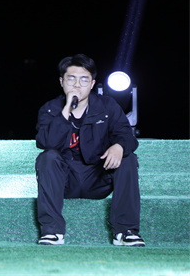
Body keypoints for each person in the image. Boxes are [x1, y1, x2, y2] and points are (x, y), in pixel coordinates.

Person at [35, 54, 144, 246]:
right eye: (71, 79)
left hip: (97, 176)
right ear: (61, 82)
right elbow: (46, 142)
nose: (77, 85)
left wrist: (119, 146)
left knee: (128, 157)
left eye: (84, 80)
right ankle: (52, 231)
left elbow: (126, 135)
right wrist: (66, 109)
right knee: (47, 157)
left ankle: (125, 231)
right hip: (65, 180)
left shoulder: (107, 106)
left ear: (92, 84)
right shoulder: (50, 109)